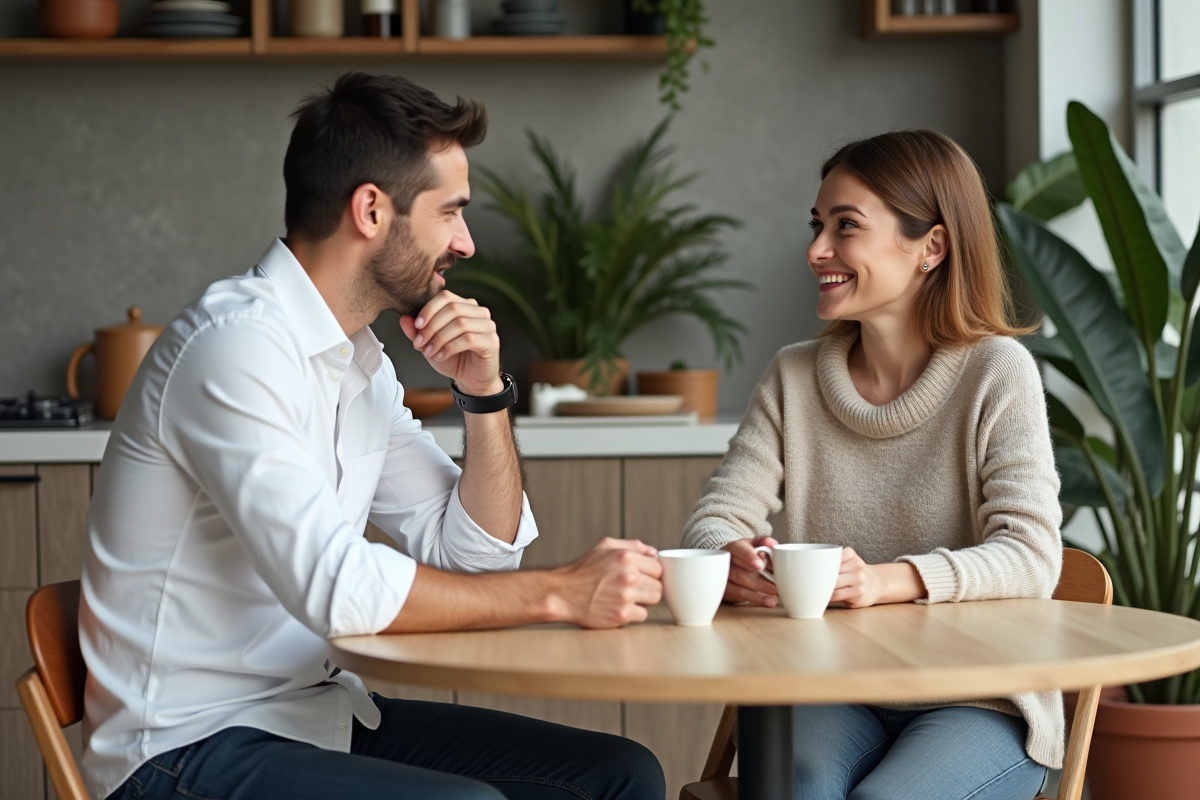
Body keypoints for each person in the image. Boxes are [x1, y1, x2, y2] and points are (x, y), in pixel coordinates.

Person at [81, 72, 666, 800]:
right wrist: (559, 594)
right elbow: (336, 589)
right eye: (450, 212)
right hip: (182, 747)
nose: (466, 242)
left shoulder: (359, 363)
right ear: (370, 210)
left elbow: (475, 559)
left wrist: (484, 396)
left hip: (317, 714)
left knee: (620, 776)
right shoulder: (235, 348)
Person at [682, 130, 1062, 800]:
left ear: (931, 247)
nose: (815, 250)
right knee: (796, 787)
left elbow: (1032, 555)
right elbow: (716, 519)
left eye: (846, 226)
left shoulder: (997, 372)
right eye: (817, 225)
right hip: (825, 682)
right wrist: (729, 558)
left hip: (977, 694)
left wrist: (885, 582)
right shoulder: (794, 376)